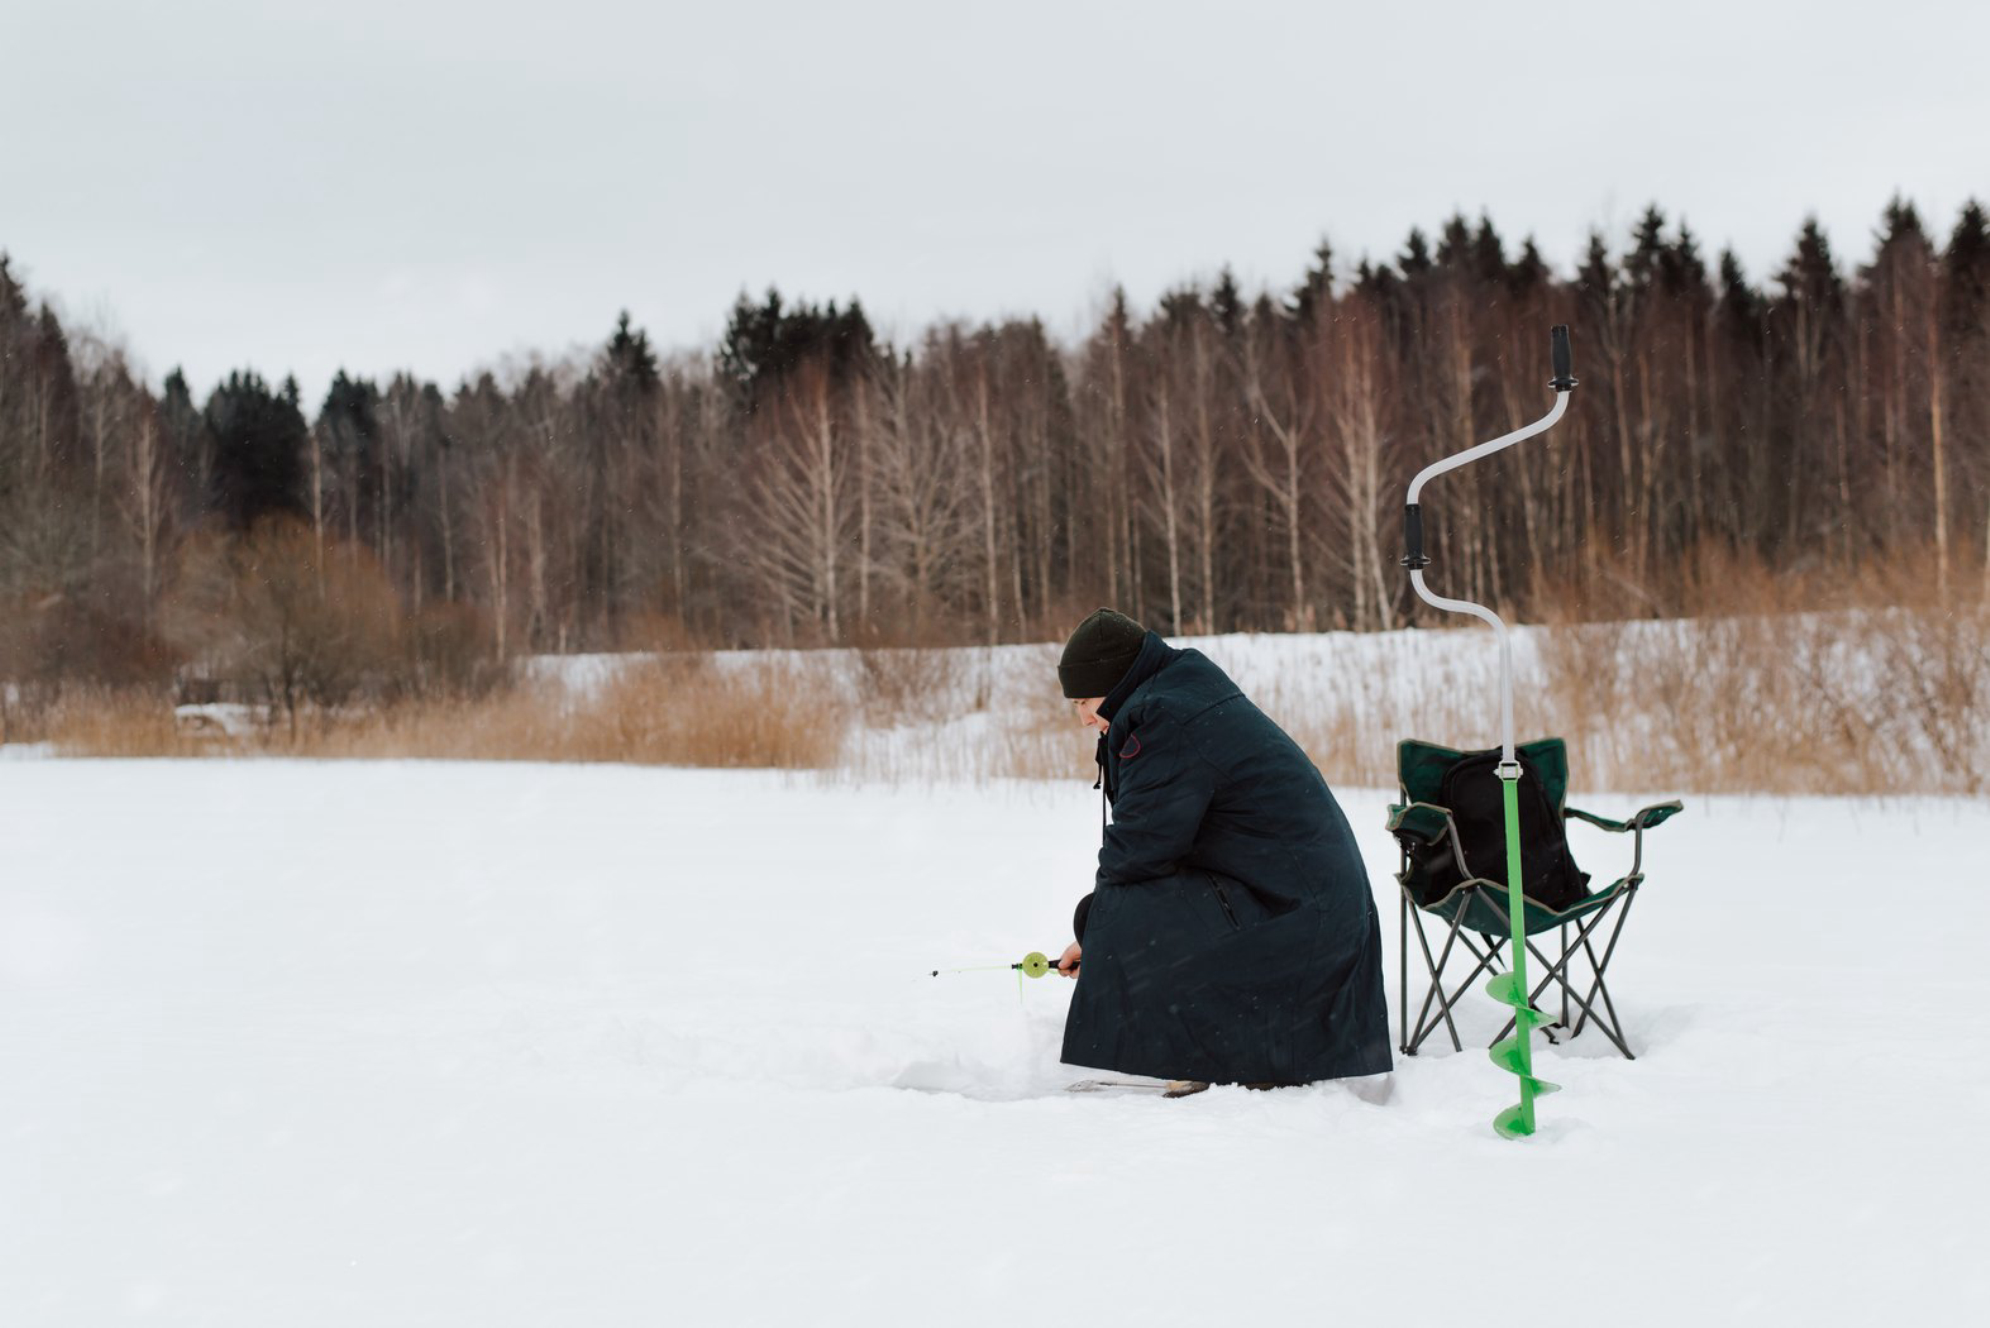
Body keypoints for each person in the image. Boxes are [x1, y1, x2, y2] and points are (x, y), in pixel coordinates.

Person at [1054, 608, 1392, 1093]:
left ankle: (1209, 1055)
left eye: (1087, 700)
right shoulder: (1177, 693)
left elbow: (1142, 847)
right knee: (1114, 907)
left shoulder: (1165, 716)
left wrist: (1099, 932)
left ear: (1118, 681)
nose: (1085, 718)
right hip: (1310, 910)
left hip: (1302, 922)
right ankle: (1203, 1043)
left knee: (1121, 906)